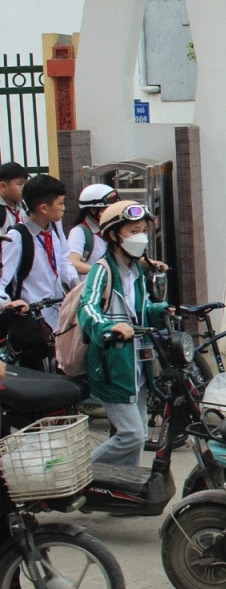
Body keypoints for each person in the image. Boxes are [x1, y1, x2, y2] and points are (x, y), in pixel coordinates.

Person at [80, 201, 169, 467]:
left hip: (137, 365)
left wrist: (163, 311)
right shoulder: (101, 270)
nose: (140, 237)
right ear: (113, 236)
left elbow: (138, 312)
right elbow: (87, 308)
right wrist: (109, 327)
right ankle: (81, 477)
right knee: (132, 434)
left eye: (143, 230)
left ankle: (122, 490)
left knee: (138, 434)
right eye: (133, 231)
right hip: (112, 366)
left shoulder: (135, 272)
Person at [0, 175, 79, 367]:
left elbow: (63, 259)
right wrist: (8, 305)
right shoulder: (17, 237)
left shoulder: (55, 226)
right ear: (44, 208)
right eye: (60, 204)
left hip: (59, 314)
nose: (63, 208)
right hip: (32, 321)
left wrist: (78, 286)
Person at [67, 184, 119, 276]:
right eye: (108, 209)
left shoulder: (111, 230)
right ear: (93, 210)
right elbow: (72, 263)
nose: (112, 213)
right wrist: (103, 271)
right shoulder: (79, 232)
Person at [0, 162, 28, 234]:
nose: (25, 187)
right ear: (3, 186)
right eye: (20, 184)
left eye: (25, 183)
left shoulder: (24, 206)